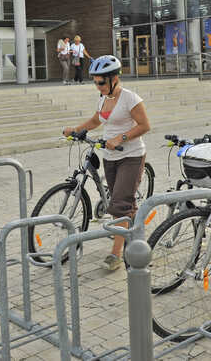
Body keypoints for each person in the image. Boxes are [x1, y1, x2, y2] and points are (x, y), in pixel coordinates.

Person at [62, 55, 150, 271]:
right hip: (110, 157)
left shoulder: (131, 98)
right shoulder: (103, 98)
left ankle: (116, 254)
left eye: (101, 82)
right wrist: (76, 129)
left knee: (119, 203)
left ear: (114, 78)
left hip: (130, 155)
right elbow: (95, 120)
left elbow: (145, 125)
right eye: (95, 81)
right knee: (123, 202)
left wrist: (120, 139)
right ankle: (135, 235)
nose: (97, 86)